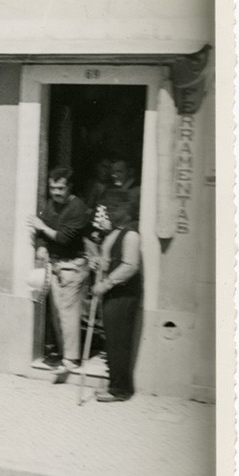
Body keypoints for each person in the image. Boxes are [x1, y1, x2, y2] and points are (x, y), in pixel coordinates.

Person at [28, 166, 92, 372]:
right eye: (53, 188)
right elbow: (42, 230)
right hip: (55, 265)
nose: (56, 193)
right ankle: (65, 354)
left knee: (69, 313)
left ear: (69, 187)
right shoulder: (50, 205)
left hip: (74, 266)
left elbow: (64, 237)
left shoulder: (78, 208)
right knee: (57, 312)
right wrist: (41, 247)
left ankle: (72, 360)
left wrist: (42, 228)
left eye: (60, 189)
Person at [91, 159, 143, 402]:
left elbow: (130, 266)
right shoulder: (116, 231)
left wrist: (106, 283)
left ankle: (120, 390)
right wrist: (99, 263)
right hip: (114, 294)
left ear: (124, 209)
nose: (108, 213)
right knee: (111, 340)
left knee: (119, 342)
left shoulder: (131, 232)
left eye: (112, 209)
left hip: (123, 295)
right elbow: (109, 257)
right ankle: (114, 384)